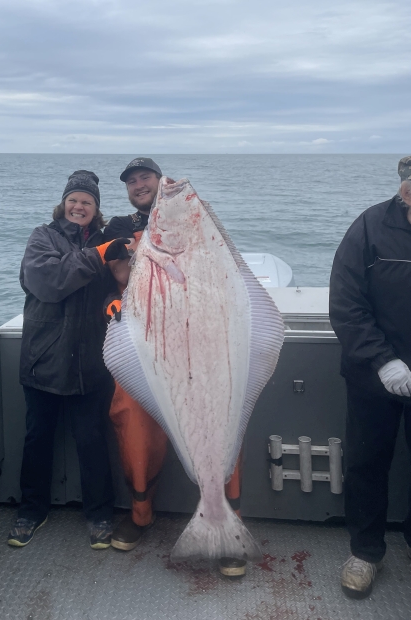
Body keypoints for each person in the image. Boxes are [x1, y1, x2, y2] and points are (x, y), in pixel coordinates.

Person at [103, 157, 247, 577]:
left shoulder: (201, 223)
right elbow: (114, 277)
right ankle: (141, 513)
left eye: (146, 177)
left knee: (223, 415)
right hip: (148, 344)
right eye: (132, 181)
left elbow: (226, 273)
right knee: (131, 416)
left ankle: (228, 522)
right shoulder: (118, 228)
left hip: (201, 341)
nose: (140, 184)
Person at [7, 170, 128, 550]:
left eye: (87, 202)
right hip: (43, 357)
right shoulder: (42, 237)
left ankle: (100, 514)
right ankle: (31, 511)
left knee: (92, 440)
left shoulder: (106, 242)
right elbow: (49, 282)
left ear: (95, 208)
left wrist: (114, 299)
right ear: (63, 204)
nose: (79, 206)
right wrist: (99, 255)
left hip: (91, 360)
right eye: (73, 200)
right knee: (37, 439)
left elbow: (115, 283)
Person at [330, 155, 411, 598]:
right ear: (403, 187)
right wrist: (384, 361)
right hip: (373, 376)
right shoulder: (369, 226)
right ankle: (365, 552)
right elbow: (345, 302)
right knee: (366, 463)